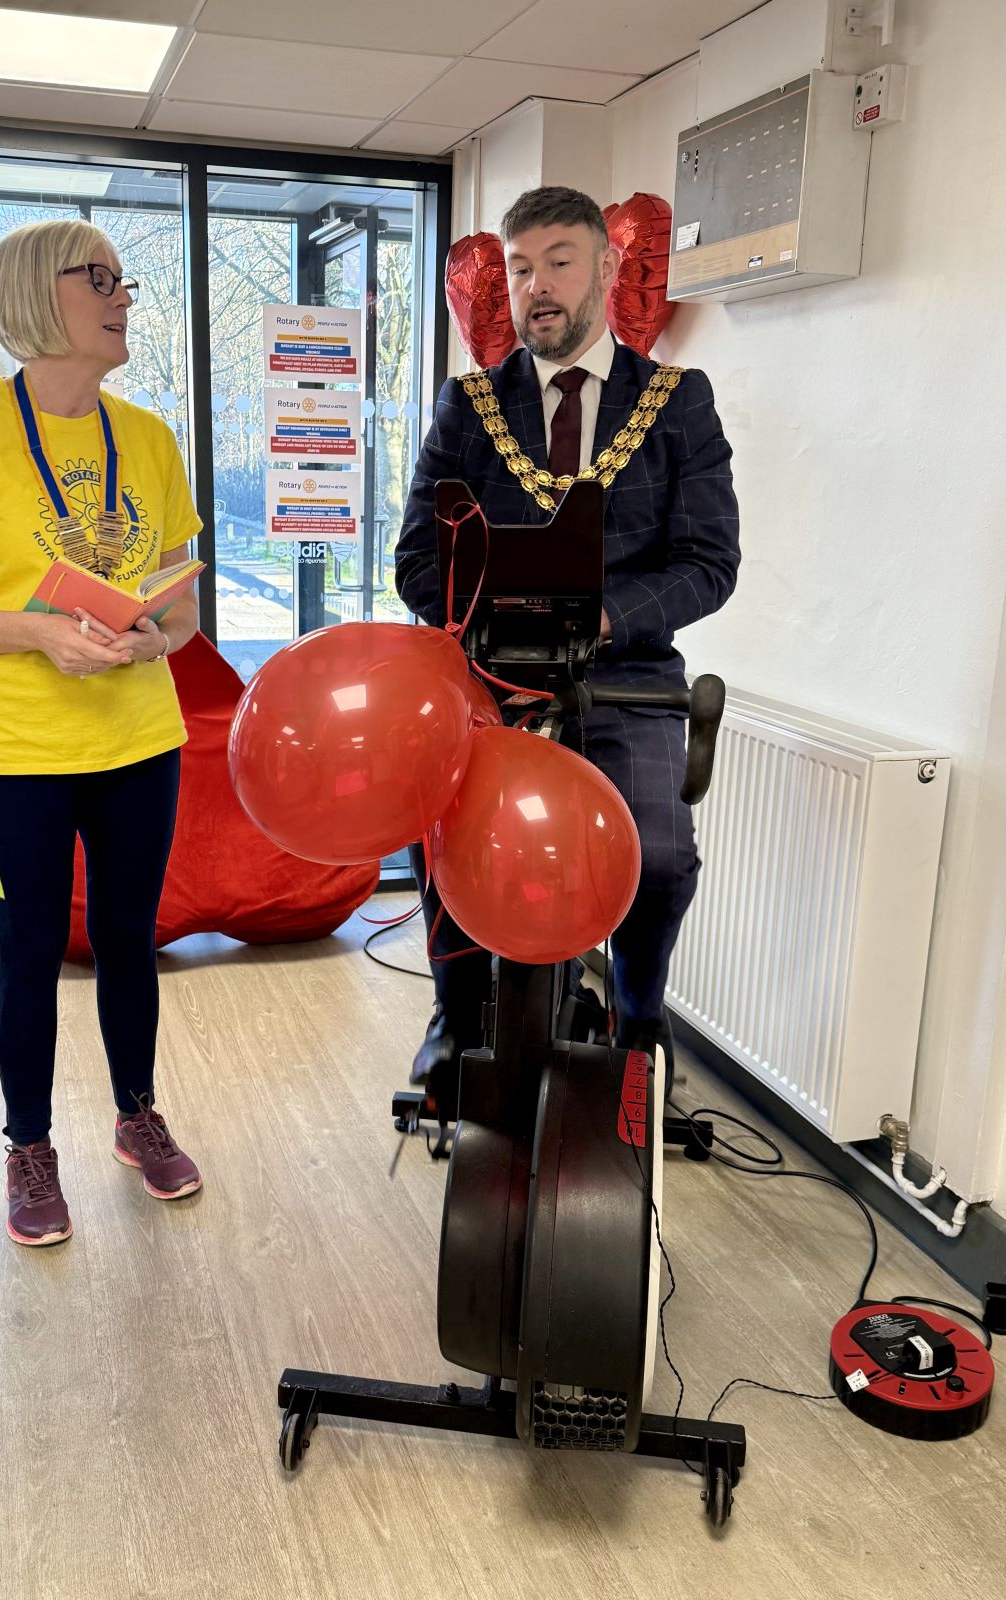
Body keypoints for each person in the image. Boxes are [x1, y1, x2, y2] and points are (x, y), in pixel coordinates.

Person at [395, 185, 740, 1113]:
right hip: (491, 670)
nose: (536, 287)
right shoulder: (469, 405)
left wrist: (607, 620)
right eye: (519, 269)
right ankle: (456, 1013)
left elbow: (709, 563)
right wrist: (486, 623)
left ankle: (639, 1018)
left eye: (558, 262)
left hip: (626, 673)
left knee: (658, 858)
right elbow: (416, 559)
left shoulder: (677, 403)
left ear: (606, 268)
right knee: (446, 841)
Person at [0, 219, 204, 1247]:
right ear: (38, 294)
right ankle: (28, 1145)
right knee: (29, 952)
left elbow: (182, 607)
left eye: (125, 281)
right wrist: (37, 632)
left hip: (138, 743)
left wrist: (155, 635)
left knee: (128, 940)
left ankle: (136, 1113)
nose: (123, 298)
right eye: (99, 279)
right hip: (12, 754)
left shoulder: (148, 438)